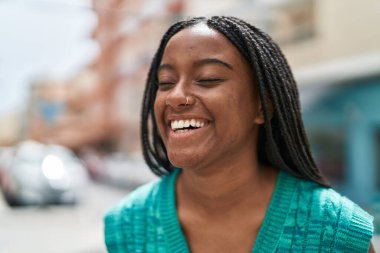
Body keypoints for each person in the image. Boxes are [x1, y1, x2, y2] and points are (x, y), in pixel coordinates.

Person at [104, 16, 375, 252]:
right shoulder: (126, 225)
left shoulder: (339, 231)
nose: (175, 96)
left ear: (262, 106)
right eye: (165, 83)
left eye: (208, 78)